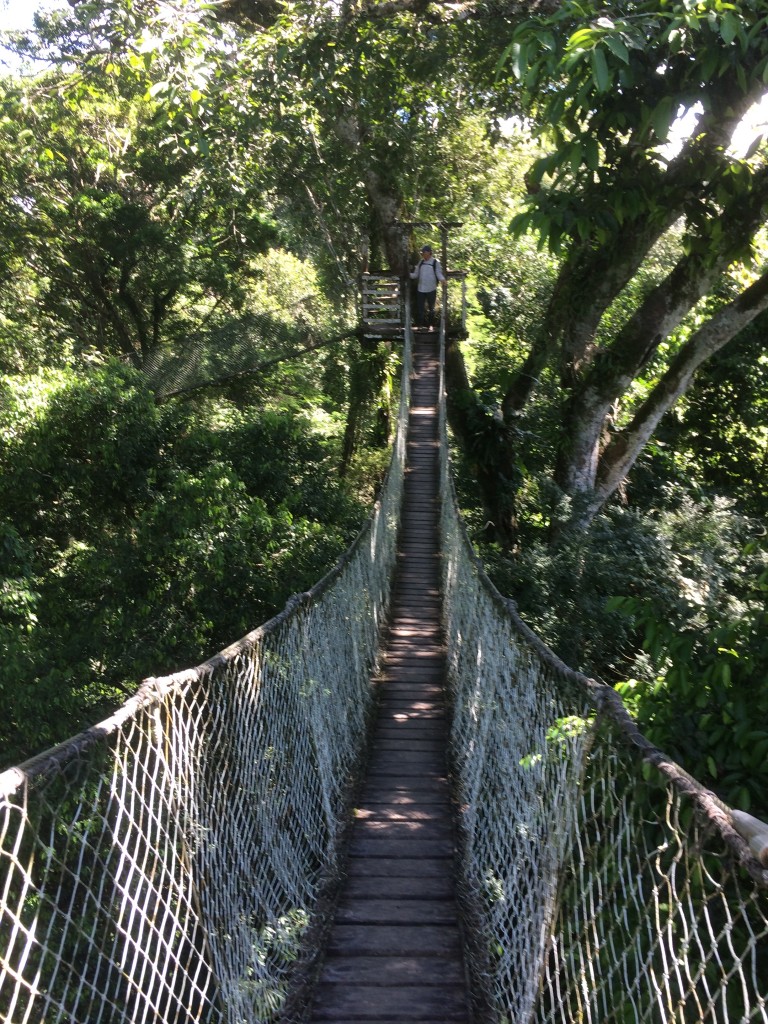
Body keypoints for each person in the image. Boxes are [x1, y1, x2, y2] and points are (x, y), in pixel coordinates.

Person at [410, 244, 446, 330]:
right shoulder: (421, 262)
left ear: (430, 253)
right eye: (423, 253)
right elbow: (415, 275)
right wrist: (406, 274)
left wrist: (443, 280)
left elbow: (438, 273)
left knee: (431, 308)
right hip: (421, 289)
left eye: (425, 253)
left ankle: (431, 325)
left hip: (431, 289)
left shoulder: (435, 262)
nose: (424, 255)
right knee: (420, 308)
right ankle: (421, 325)